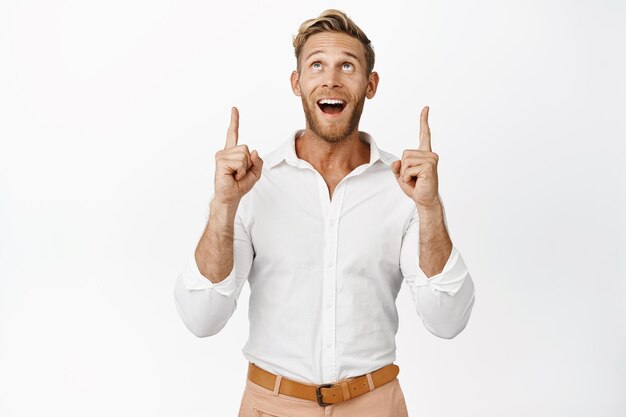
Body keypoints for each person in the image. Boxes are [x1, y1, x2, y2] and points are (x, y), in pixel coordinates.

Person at [174, 9, 475, 417]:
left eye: (347, 66)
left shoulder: (404, 187)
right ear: (297, 83)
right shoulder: (251, 183)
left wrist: (430, 208)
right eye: (316, 65)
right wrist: (224, 206)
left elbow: (447, 321)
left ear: (370, 85)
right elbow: (201, 319)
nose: (331, 79)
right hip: (272, 406)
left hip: (374, 405)